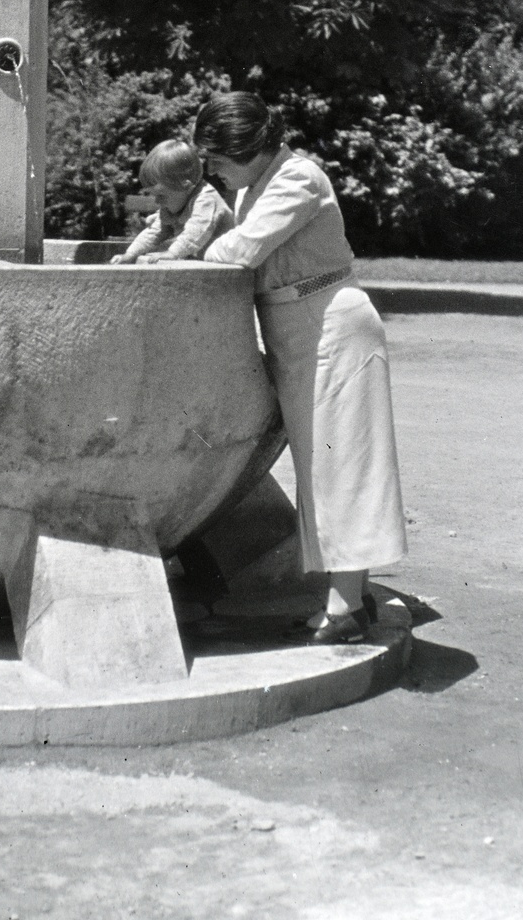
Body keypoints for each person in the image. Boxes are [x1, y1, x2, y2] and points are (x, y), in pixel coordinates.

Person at [194, 93, 407, 644]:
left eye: (219, 156)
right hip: (297, 330)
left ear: (252, 148)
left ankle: (347, 609)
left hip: (331, 325)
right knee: (320, 470)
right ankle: (348, 599)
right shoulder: (253, 187)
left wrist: (185, 255)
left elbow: (240, 251)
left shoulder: (298, 179)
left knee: (346, 467)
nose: (211, 169)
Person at [112, 140, 233, 265]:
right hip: (208, 263)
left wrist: (173, 253)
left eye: (161, 195)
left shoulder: (206, 199)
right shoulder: (172, 204)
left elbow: (196, 232)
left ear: (186, 186)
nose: (157, 201)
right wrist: (130, 254)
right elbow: (154, 231)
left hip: (230, 265)